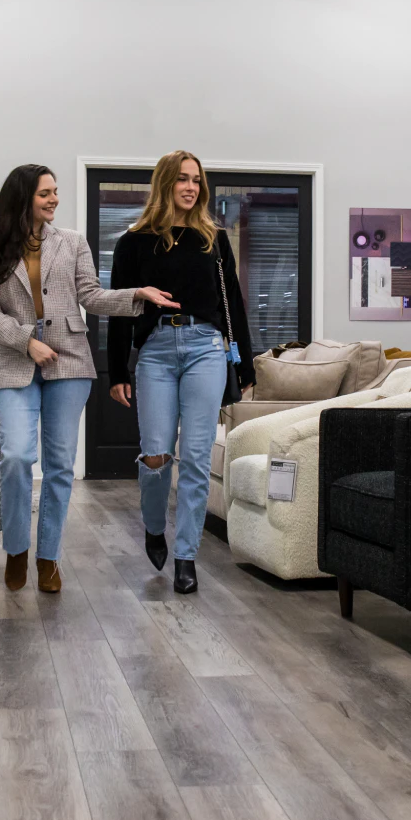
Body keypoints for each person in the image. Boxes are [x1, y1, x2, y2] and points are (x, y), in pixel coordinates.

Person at [0, 164, 177, 593]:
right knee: (15, 457)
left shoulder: (72, 243)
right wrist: (26, 341)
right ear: (24, 197)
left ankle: (48, 557)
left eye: (56, 192)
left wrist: (134, 295)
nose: (54, 199)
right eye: (45, 193)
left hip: (69, 362)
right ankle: (16, 548)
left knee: (60, 466)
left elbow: (91, 296)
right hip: (16, 361)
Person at [108, 151, 256, 594]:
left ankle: (186, 557)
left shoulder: (214, 238)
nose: (191, 188)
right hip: (154, 352)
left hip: (206, 350)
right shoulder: (133, 242)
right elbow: (120, 310)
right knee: (155, 456)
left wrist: (245, 362)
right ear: (165, 184)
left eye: (197, 181)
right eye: (183, 180)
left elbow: (233, 301)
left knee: (194, 458)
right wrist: (118, 370)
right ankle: (155, 529)